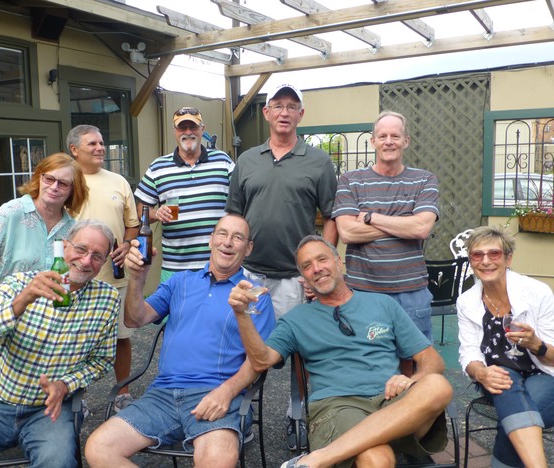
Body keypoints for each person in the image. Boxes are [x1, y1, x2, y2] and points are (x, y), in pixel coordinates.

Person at [229, 235, 452, 468]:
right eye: (307, 266)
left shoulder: (383, 304)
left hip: (393, 403)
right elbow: (261, 360)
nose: (316, 268)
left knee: (437, 385)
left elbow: (432, 360)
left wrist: (412, 379)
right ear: (303, 277)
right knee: (377, 459)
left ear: (338, 261)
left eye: (322, 259)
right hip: (338, 406)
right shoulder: (296, 319)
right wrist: (241, 314)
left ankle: (316, 459)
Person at [85, 214, 276, 468]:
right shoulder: (180, 282)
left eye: (237, 237)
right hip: (162, 395)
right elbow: (134, 319)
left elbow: (259, 358)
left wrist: (227, 392)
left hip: (215, 393)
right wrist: (137, 278)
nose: (228, 242)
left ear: (248, 248)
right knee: (98, 448)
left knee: (217, 461)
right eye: (222, 234)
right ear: (211, 240)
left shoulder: (254, 294)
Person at [0, 220, 120, 468]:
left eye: (97, 256)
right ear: (64, 246)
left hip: (49, 412)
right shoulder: (18, 284)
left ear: (104, 262)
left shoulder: (107, 299)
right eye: (81, 249)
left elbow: (102, 361)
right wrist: (22, 301)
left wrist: (65, 385)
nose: (86, 261)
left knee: (58, 463)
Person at [226, 83, 337, 449]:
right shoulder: (247, 161)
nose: (285, 112)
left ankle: (297, 413)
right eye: (278, 105)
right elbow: (234, 216)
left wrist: (320, 269)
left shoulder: (318, 161)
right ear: (267, 113)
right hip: (251, 276)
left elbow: (331, 217)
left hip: (296, 279)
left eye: (292, 106)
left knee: (301, 353)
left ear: (301, 114)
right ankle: (240, 412)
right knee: (243, 347)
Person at [0, 152, 88, 398]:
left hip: (40, 329)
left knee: (35, 395)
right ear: (38, 178)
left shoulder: (71, 228)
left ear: (74, 190)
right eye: (49, 178)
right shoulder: (11, 214)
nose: (54, 187)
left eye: (63, 183)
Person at [333, 110, 439, 343]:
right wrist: (404, 222)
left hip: (411, 293)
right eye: (382, 136)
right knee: (366, 359)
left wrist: (370, 217)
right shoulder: (350, 181)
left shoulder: (424, 180)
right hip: (363, 293)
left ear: (406, 141)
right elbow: (347, 232)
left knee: (416, 359)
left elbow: (421, 229)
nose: (388, 141)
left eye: (395, 136)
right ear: (373, 141)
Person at [457, 225, 554, 468]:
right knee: (505, 381)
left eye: (494, 254)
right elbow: (469, 351)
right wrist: (480, 373)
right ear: (471, 261)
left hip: (543, 373)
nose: (485, 261)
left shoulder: (537, 293)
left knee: (513, 415)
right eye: (477, 255)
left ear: (508, 259)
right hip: (495, 377)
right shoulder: (466, 301)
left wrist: (537, 345)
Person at [67, 124, 140, 412]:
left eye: (101, 143)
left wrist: (127, 244)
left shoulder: (118, 181)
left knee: (121, 336)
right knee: (74, 339)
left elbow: (132, 224)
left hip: (114, 275)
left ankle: (123, 391)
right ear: (74, 149)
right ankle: (77, 396)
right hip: (75, 277)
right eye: (92, 144)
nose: (100, 148)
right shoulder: (66, 181)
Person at [134, 106, 235, 282]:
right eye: (182, 127)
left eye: (193, 127)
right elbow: (140, 210)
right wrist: (156, 214)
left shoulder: (223, 161)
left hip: (219, 266)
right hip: (176, 269)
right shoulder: (158, 167)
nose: (188, 132)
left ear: (202, 129)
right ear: (175, 131)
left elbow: (241, 201)